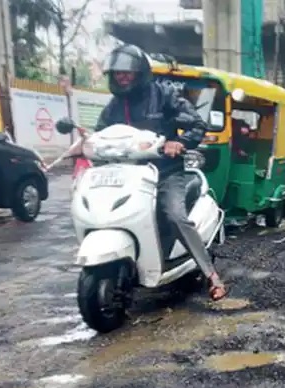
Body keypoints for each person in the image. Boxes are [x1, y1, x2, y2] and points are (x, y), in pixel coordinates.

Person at [95, 44, 227, 301]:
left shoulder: (164, 95)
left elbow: (197, 123)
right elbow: (100, 132)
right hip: (127, 175)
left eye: (127, 73)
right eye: (117, 73)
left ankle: (211, 274)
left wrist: (180, 142)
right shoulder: (113, 106)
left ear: (139, 73)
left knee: (174, 215)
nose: (122, 77)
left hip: (165, 172)